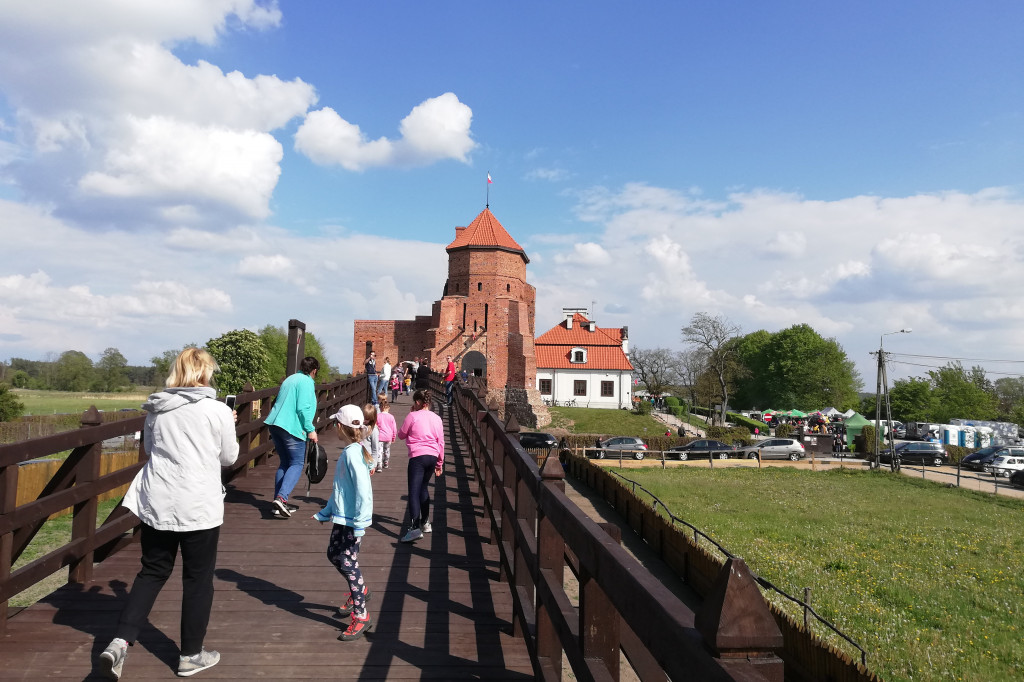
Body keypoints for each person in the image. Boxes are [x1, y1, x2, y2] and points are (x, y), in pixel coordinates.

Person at [98, 348, 238, 680]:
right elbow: (229, 457)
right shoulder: (216, 410)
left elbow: (148, 449)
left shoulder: (156, 409)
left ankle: (120, 641)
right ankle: (190, 655)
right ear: (205, 373)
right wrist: (225, 426)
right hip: (198, 505)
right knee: (197, 579)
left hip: (159, 500)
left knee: (152, 572)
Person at [314, 404, 374, 641]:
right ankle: (360, 589)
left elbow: (362, 490)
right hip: (342, 517)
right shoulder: (352, 450)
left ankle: (361, 616)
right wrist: (326, 511)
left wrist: (359, 523)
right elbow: (340, 488)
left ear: (340, 427)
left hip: (352, 520)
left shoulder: (352, 454)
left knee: (348, 562)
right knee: (333, 554)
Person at [264, 356, 319, 518]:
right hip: (291, 427)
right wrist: (310, 429)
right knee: (296, 463)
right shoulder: (307, 382)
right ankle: (282, 498)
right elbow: (303, 408)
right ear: (314, 371)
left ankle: (277, 502)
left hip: (275, 424)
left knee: (285, 463)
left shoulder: (290, 379)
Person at [397, 390, 444, 543]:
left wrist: (410, 416)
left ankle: (414, 528)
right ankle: (426, 522)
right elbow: (441, 442)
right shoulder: (437, 418)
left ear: (417, 402)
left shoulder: (413, 416)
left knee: (414, 491)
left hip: (418, 457)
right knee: (423, 488)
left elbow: (401, 434)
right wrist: (439, 463)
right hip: (432, 456)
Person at [376, 396, 397, 470]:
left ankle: (379, 465)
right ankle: (386, 462)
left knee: (379, 451)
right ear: (388, 408)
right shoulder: (391, 417)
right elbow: (394, 428)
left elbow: (375, 427)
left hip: (380, 436)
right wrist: (393, 437)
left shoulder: (378, 416)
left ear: (380, 408)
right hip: (388, 437)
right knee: (387, 450)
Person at [361, 403, 381, 475]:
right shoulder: (359, 426)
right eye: (363, 417)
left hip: (367, 460)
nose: (364, 420)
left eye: (366, 419)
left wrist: (374, 464)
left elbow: (375, 448)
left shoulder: (374, 430)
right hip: (357, 457)